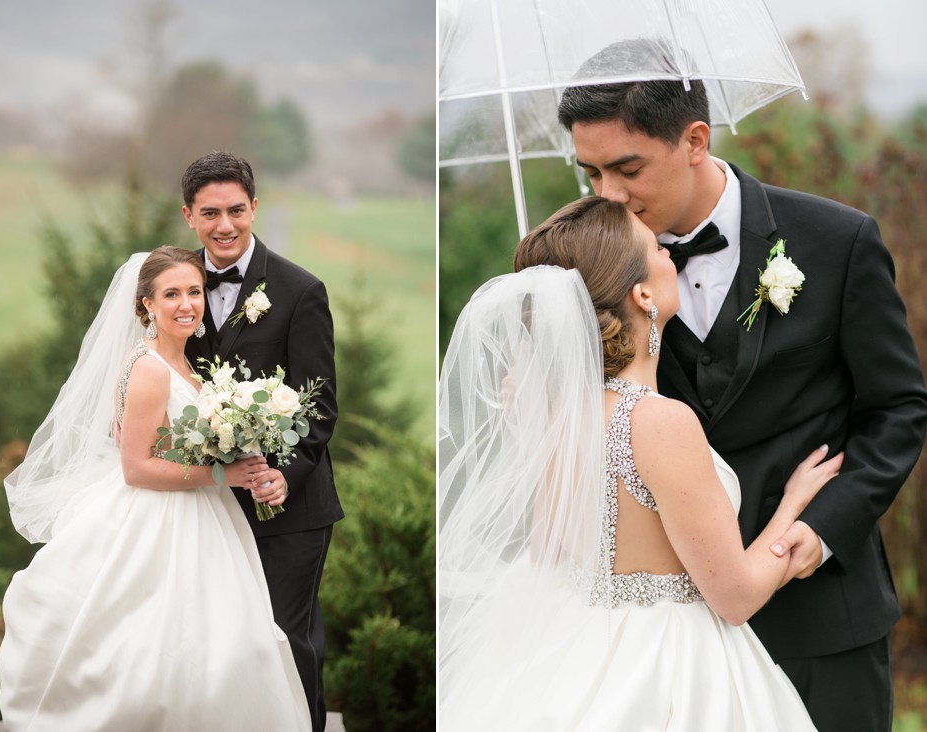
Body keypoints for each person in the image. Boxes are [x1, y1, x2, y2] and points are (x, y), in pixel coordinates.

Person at [555, 38, 927, 732]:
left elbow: (899, 408)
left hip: (827, 617)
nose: (609, 194)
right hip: (676, 638)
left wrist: (820, 529)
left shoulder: (836, 241)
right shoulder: (591, 272)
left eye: (626, 168)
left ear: (694, 139)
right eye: (591, 174)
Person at [439, 196, 841, 730]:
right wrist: (792, 507)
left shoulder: (563, 416)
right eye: (656, 248)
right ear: (644, 294)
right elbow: (736, 596)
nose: (671, 253)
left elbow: (546, 551)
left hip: (575, 653)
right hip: (672, 666)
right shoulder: (660, 422)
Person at [0, 246, 311, 731]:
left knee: (221, 642)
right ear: (146, 305)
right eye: (171, 294)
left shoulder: (187, 364)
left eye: (193, 291)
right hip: (156, 518)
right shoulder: (148, 367)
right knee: (159, 646)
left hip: (203, 514)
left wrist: (237, 445)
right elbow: (137, 469)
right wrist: (223, 475)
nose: (187, 304)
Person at [180, 151, 342, 732]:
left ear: (255, 208)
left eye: (236, 210)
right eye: (210, 213)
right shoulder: (178, 286)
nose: (224, 225)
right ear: (189, 216)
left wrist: (282, 473)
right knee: (217, 644)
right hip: (207, 503)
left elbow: (319, 404)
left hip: (288, 507)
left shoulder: (301, 290)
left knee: (284, 638)